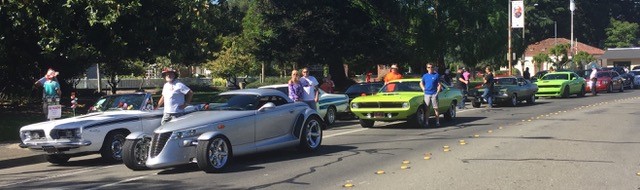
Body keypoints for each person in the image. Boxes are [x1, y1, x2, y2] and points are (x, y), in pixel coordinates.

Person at [419, 63, 442, 127]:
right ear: (427, 68)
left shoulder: (436, 75)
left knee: (436, 108)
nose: (430, 68)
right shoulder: (425, 76)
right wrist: (423, 89)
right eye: (429, 67)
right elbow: (421, 83)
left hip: (434, 93)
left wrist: (437, 92)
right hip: (427, 94)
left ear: (433, 68)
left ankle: (437, 122)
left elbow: (439, 84)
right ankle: (426, 122)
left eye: (431, 67)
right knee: (427, 109)